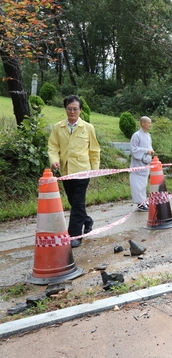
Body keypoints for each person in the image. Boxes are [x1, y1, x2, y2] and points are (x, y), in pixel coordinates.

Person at [48, 95, 101, 248]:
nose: (72, 112)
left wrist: (95, 170)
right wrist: (54, 160)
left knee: (78, 202)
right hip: (66, 170)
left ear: (80, 110)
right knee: (73, 201)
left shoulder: (88, 128)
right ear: (65, 109)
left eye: (75, 109)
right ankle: (87, 220)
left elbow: (94, 150)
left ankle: (74, 235)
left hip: (83, 170)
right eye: (69, 109)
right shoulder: (58, 127)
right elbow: (53, 147)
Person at [129, 116, 154, 212]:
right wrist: (146, 151)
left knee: (143, 185)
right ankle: (140, 203)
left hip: (145, 164)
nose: (150, 125)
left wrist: (150, 152)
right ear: (143, 123)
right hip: (138, 165)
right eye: (148, 123)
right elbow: (133, 149)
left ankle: (143, 201)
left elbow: (149, 147)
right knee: (137, 185)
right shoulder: (136, 135)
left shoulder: (148, 135)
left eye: (150, 123)